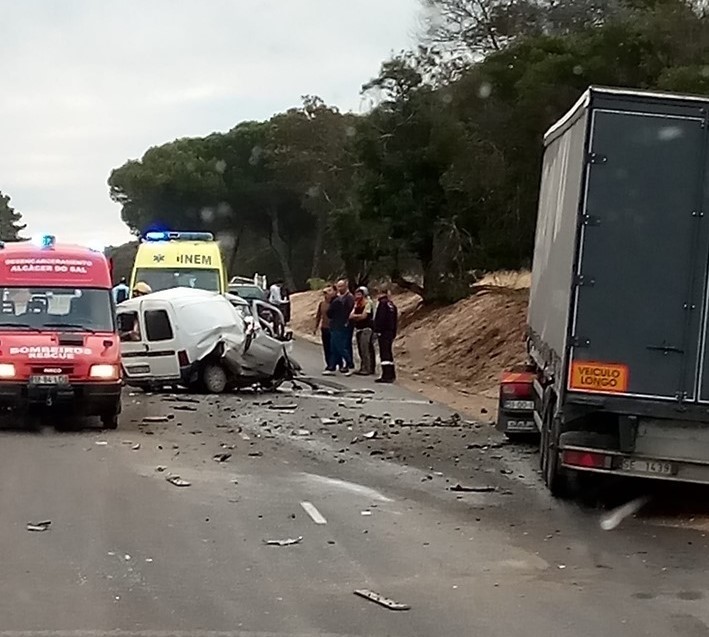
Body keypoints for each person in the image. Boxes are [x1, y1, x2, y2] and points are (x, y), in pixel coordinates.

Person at [325, 279, 355, 376]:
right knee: (333, 347)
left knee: (341, 346)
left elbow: (330, 313)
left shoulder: (341, 300)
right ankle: (332, 366)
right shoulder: (338, 300)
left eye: (330, 291)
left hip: (340, 326)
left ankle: (350, 365)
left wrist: (346, 323)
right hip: (335, 326)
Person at [373, 285, 398, 383]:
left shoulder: (382, 304)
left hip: (383, 333)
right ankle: (391, 374)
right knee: (389, 354)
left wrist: (377, 330)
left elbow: (381, 319)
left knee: (385, 355)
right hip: (390, 332)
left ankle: (386, 375)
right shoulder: (391, 304)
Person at [350, 286, 376, 375]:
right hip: (359, 328)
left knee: (366, 349)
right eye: (356, 294)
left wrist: (356, 317)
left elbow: (364, 316)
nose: (357, 295)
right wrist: (357, 316)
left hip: (367, 329)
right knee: (361, 349)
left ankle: (368, 368)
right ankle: (363, 367)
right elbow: (351, 315)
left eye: (359, 294)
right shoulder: (357, 303)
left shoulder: (368, 303)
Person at [314, 285, 336, 370]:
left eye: (327, 293)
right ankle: (328, 363)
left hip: (333, 328)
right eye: (325, 293)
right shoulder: (322, 304)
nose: (326, 295)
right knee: (326, 347)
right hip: (324, 327)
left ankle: (333, 364)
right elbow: (318, 315)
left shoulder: (334, 303)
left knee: (332, 347)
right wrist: (316, 326)